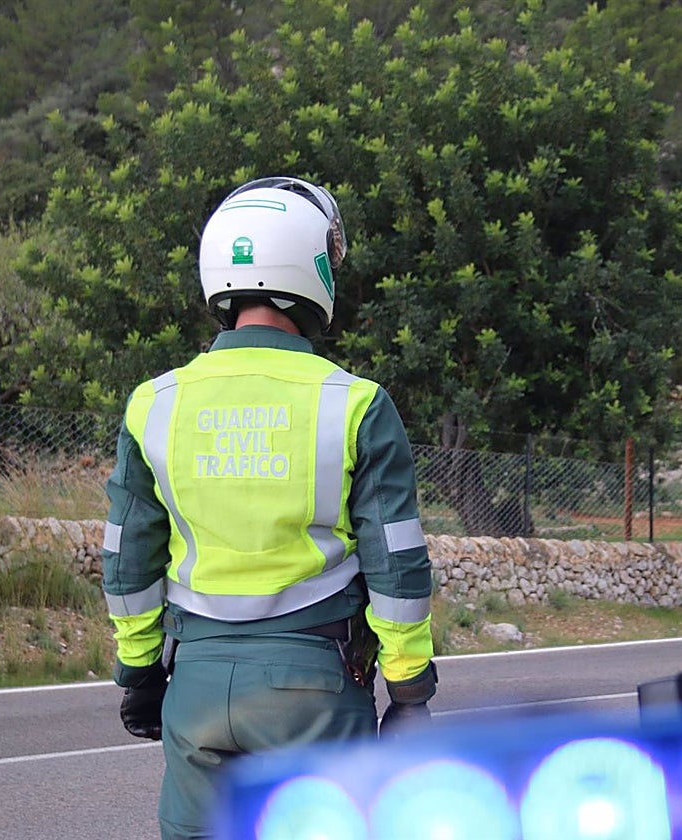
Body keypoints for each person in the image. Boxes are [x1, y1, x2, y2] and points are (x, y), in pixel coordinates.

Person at [101, 175, 438, 840]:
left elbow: (127, 560)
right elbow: (397, 565)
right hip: (313, 687)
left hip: (195, 686)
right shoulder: (356, 402)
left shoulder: (155, 404)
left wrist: (137, 673)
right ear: (310, 269)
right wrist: (409, 693)